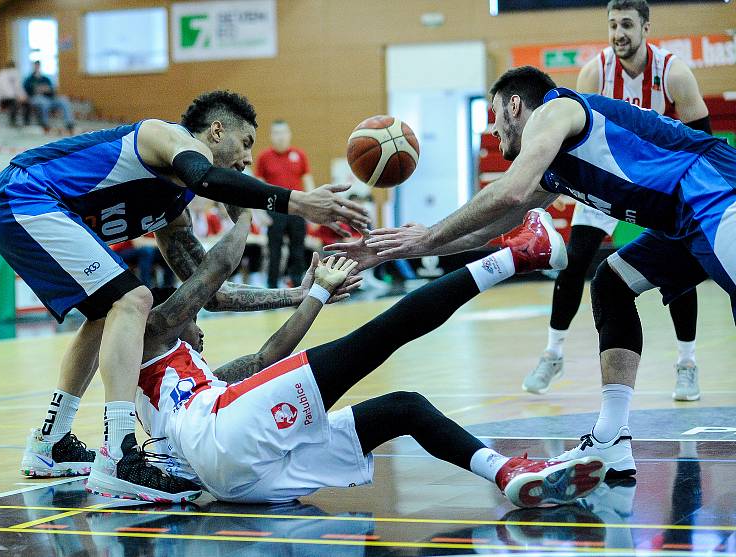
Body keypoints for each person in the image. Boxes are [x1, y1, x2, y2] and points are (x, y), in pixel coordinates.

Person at [331, 65, 736, 478]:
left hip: (713, 188)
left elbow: (511, 190)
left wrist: (430, 235)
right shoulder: (554, 163)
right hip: (679, 220)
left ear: (515, 105)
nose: (492, 129)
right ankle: (612, 438)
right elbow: (493, 228)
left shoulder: (555, 110)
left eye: (494, 116)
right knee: (612, 283)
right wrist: (393, 249)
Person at [0, 89, 370, 502]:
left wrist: (295, 294)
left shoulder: (175, 207)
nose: (247, 159)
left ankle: (51, 441)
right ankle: (119, 452)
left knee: (105, 315)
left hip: (31, 208)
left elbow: (210, 291)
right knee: (133, 300)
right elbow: (206, 177)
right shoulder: (161, 137)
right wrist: (290, 203)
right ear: (216, 131)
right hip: (23, 195)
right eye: (245, 143)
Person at [134, 205, 605, 507]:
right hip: (223, 439)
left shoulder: (187, 387)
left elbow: (262, 359)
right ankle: (520, 254)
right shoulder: (154, 335)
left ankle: (507, 473)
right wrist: (243, 208)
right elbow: (213, 276)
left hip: (238, 483)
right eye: (189, 321)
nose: (198, 329)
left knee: (403, 408)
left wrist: (309, 294)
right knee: (381, 335)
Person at [524, 0, 711, 401]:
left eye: (627, 24)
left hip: (658, 185)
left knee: (676, 271)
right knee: (575, 263)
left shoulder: (673, 72)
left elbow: (704, 139)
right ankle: (553, 354)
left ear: (646, 28)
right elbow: (572, 135)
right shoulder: (595, 71)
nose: (618, 33)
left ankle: (687, 362)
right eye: (612, 25)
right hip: (605, 180)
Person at [255, 120, 315, 288]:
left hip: (297, 210)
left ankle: (297, 286)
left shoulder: (299, 155)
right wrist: (260, 213)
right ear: (271, 136)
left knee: (298, 250)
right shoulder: (263, 158)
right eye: (276, 133)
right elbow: (257, 187)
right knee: (274, 251)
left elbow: (308, 181)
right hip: (275, 211)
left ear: (289, 135)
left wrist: (311, 207)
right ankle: (272, 287)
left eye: (283, 133)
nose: (280, 137)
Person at [23, 60, 75, 133]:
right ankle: (45, 123)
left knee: (64, 100)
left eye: (38, 66)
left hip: (49, 97)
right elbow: (26, 91)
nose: (37, 68)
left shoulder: (46, 79)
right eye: (36, 66)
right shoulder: (29, 79)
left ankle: (69, 123)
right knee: (44, 103)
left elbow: (52, 90)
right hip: (35, 98)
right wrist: (37, 89)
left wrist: (47, 89)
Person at [0, 61, 30, 128]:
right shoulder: (2, 75)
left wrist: (24, 96)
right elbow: (7, 92)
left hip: (8, 98)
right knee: (15, 102)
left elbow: (18, 88)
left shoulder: (14, 75)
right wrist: (19, 98)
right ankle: (12, 122)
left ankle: (26, 123)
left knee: (26, 102)